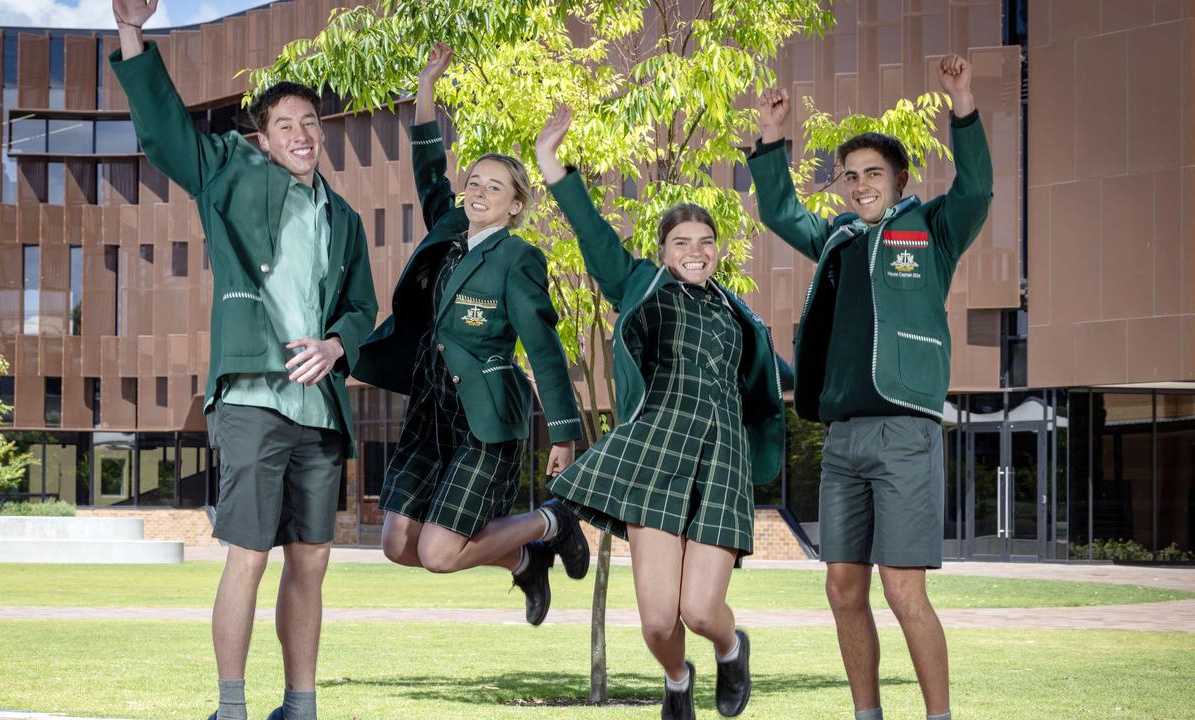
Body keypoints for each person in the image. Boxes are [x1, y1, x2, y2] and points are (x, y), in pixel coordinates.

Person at [109, 2, 378, 719]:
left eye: (310, 123)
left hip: (319, 412)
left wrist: (335, 346)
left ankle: (301, 705)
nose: (300, 134)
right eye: (284, 125)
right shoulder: (228, 173)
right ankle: (231, 707)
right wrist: (133, 33)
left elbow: (362, 307)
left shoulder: (344, 218)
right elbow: (167, 131)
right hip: (253, 397)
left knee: (312, 561)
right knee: (249, 555)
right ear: (262, 139)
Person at [748, 54, 991, 720]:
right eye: (850, 177)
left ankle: (938, 716)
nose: (859, 185)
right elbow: (778, 211)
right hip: (842, 438)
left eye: (872, 174)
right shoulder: (836, 240)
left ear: (900, 179)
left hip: (904, 432)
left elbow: (976, 190)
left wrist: (963, 102)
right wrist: (772, 140)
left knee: (903, 590)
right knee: (841, 589)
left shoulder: (931, 231)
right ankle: (867, 715)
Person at [534, 104, 790, 720]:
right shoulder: (644, 286)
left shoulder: (740, 317)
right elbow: (596, 238)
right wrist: (552, 167)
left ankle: (731, 648)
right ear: (664, 250)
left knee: (700, 611)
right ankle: (678, 680)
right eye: (682, 242)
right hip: (655, 454)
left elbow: (784, 382)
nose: (695, 251)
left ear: (718, 252)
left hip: (721, 465)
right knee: (656, 622)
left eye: (706, 242)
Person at [352, 43, 588, 627]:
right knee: (397, 546)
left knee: (438, 553)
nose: (478, 193)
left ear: (516, 206)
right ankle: (524, 560)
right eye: (474, 183)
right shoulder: (449, 235)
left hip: (484, 419)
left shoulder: (519, 258)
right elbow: (428, 167)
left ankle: (551, 520)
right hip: (428, 413)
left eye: (494, 188)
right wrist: (426, 86)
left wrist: (563, 433)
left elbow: (543, 346)